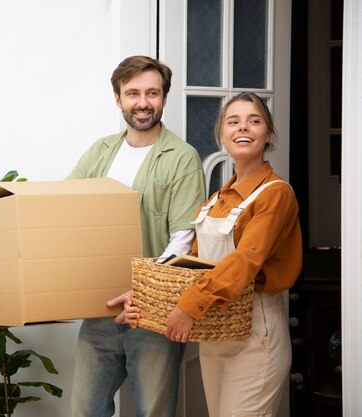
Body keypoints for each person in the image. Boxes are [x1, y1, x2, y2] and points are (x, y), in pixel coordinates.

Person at [0, 55, 206, 417]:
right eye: (133, 93)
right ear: (118, 98)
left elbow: (182, 238)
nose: (143, 102)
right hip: (100, 311)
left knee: (153, 413)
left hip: (152, 313)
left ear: (164, 98)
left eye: (152, 93)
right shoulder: (101, 152)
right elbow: (57, 216)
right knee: (85, 411)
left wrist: (142, 289)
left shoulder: (182, 158)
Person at [162, 92, 302, 417]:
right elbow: (193, 265)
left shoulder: (275, 194)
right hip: (215, 331)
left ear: (268, 134)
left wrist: (188, 305)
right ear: (221, 134)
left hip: (256, 335)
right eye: (233, 121)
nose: (244, 128)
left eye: (255, 121)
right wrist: (144, 296)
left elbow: (244, 262)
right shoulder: (217, 199)